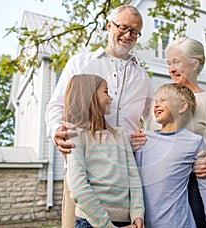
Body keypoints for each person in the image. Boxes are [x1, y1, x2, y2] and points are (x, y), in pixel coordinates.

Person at [45, 5, 155, 227]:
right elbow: (56, 106)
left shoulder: (142, 76)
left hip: (123, 178)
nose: (128, 35)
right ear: (109, 26)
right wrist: (57, 131)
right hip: (82, 172)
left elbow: (154, 119)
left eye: (135, 32)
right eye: (123, 28)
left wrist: (145, 139)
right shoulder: (80, 62)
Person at [131, 37, 206, 227]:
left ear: (194, 63)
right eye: (168, 63)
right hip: (156, 184)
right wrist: (137, 141)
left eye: (176, 62)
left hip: (194, 182)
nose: (171, 68)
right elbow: (149, 136)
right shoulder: (161, 101)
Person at [64, 74, 144, 228]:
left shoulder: (119, 134)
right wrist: (107, 226)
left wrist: (137, 214)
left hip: (127, 222)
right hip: (91, 222)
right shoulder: (75, 136)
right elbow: (78, 187)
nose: (110, 97)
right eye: (106, 92)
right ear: (90, 96)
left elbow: (133, 177)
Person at [135, 83, 206, 227]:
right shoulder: (143, 140)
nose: (156, 104)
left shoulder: (194, 142)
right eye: (156, 101)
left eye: (163, 100)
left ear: (182, 107)